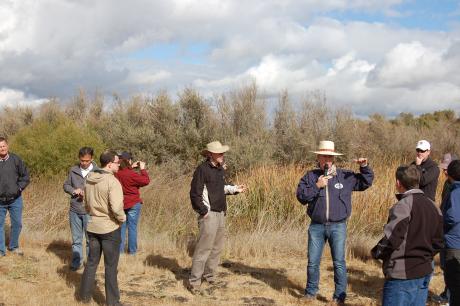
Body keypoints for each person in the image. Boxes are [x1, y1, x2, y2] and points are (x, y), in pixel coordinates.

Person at [296, 140, 373, 305]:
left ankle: (339, 296)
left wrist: (365, 167)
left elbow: (366, 183)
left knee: (339, 262)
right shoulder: (310, 176)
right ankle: (310, 293)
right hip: (316, 226)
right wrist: (317, 185)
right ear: (318, 157)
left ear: (334, 158)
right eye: (324, 156)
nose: (327, 160)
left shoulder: (345, 176)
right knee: (313, 262)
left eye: (330, 157)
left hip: (338, 226)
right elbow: (301, 197)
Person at [371, 165, 444, 306]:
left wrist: (376, 252)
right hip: (424, 272)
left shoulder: (403, 205)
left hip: (402, 276)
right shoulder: (434, 206)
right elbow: (439, 242)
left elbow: (392, 239)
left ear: (398, 183)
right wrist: (425, 256)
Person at [188, 141, 247, 293]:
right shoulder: (202, 170)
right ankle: (194, 282)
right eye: (220, 153)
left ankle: (210, 277)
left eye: (222, 153)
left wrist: (236, 189)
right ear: (211, 154)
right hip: (209, 215)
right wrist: (204, 211)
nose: (222, 155)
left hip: (221, 213)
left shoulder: (220, 170)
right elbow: (195, 193)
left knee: (216, 249)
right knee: (203, 249)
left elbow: (221, 189)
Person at [79, 151, 126, 306]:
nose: (119, 164)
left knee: (91, 262)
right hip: (109, 228)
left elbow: (85, 204)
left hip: (92, 226)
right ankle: (113, 302)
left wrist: (93, 213)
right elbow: (117, 207)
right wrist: (121, 219)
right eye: (117, 162)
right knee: (111, 267)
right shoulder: (112, 182)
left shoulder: (89, 179)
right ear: (109, 163)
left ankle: (83, 297)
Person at [63, 147, 98, 271]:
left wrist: (87, 193)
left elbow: (101, 190)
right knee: (76, 239)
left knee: (90, 240)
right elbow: (66, 185)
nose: (84, 163)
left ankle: (89, 265)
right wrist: (73, 190)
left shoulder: (97, 171)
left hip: (90, 211)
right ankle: (76, 262)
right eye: (82, 160)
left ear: (92, 159)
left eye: (87, 161)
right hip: (74, 209)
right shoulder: (73, 170)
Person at [433, 153, 458, 304]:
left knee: (452, 268)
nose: (445, 172)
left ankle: (450, 297)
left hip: (452, 235)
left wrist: (443, 220)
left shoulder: (455, 187)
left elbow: (453, 215)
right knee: (446, 267)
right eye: (443, 168)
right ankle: (446, 293)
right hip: (448, 233)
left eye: (447, 169)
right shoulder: (447, 183)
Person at [115, 151, 150, 255]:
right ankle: (132, 252)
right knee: (132, 228)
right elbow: (145, 181)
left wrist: (131, 167)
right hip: (133, 202)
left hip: (120, 203)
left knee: (121, 228)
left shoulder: (116, 174)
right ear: (129, 161)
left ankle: (120, 252)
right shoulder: (132, 174)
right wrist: (142, 169)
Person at [0, 136, 30, 256]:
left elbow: (25, 176)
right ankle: (1, 250)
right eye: (0, 147)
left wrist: (19, 188)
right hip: (0, 201)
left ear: (7, 146)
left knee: (17, 224)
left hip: (15, 200)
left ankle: (13, 247)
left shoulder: (16, 159)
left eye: (3, 146)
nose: (2, 148)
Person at [442, 159, 460, 305]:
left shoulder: (455, 192)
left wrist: (441, 220)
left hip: (454, 243)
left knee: (454, 284)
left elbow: (452, 217)